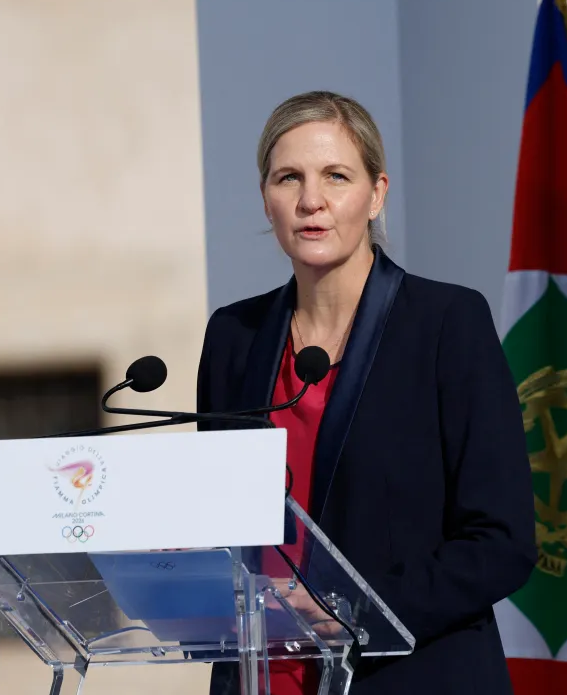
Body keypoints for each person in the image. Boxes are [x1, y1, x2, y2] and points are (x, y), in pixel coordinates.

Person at [196, 90, 536, 695]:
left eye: (336, 176)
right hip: (263, 678)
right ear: (265, 199)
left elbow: (501, 542)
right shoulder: (233, 337)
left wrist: (351, 608)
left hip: (409, 676)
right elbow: (220, 530)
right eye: (288, 178)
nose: (311, 201)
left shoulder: (445, 323)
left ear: (377, 193)